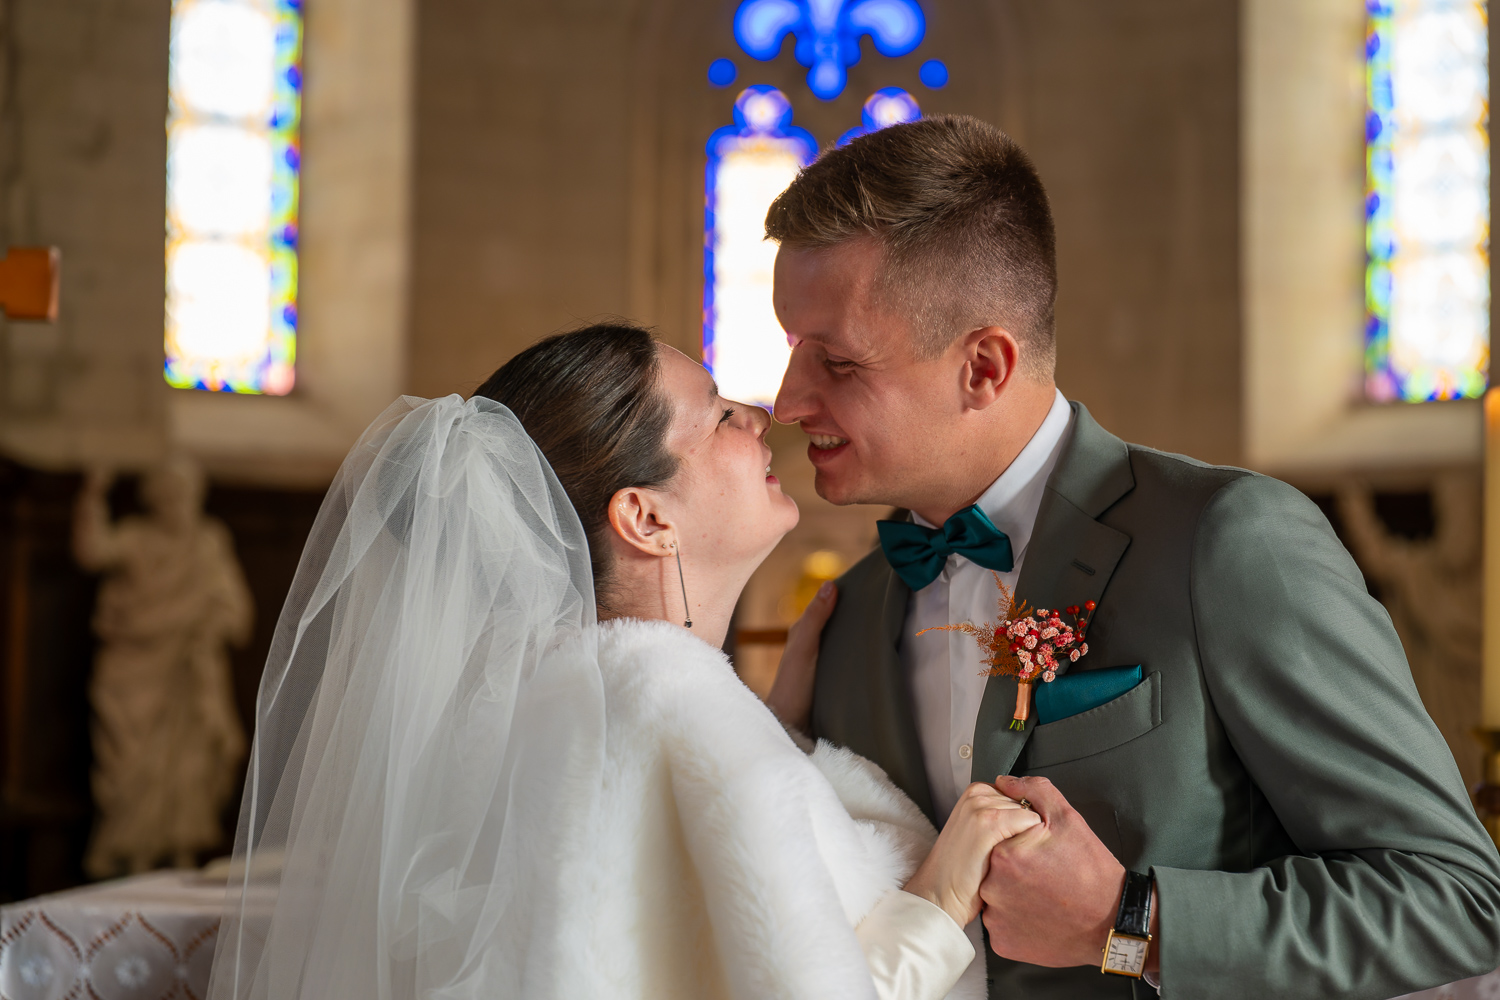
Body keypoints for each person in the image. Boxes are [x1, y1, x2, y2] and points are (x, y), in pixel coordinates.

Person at [766, 115, 1500, 998]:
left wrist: (1129, 925)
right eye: (791, 351)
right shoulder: (847, 618)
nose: (786, 402)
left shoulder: (1227, 540)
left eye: (838, 362)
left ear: (985, 367)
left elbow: (1458, 900)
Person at [206, 323, 1035, 1000]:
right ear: (646, 518)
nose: (759, 417)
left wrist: (774, 731)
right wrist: (940, 899)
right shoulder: (678, 705)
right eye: (718, 415)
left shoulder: (560, 697)